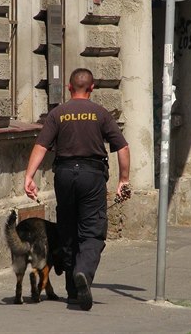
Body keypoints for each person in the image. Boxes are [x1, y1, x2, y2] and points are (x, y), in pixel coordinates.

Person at [24, 68, 130, 311]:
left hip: (64, 174)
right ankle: (83, 272)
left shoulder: (58, 113)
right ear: (92, 88)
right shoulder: (101, 113)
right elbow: (122, 148)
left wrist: (29, 176)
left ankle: (73, 291)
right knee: (92, 230)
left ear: (69, 88)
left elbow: (41, 145)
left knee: (68, 229)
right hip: (91, 176)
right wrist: (123, 179)